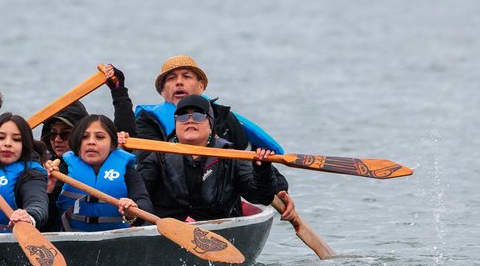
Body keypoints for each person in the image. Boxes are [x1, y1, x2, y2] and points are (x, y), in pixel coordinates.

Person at [133, 55, 296, 219]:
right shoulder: (149, 123)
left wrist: (279, 186)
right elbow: (142, 176)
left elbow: (249, 155)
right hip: (171, 210)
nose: (179, 82)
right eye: (172, 78)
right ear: (162, 91)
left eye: (187, 76)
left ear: (201, 85)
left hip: (217, 205)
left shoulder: (226, 122)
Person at [134, 95, 280, 221]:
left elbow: (262, 197)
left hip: (217, 229)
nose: (190, 120)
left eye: (198, 115)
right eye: (183, 116)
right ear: (176, 125)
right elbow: (138, 194)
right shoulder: (158, 156)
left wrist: (262, 169)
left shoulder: (231, 156)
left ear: (210, 124)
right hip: (169, 228)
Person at [43, 114, 152, 231]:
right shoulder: (61, 172)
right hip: (71, 241)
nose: (91, 142)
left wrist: (132, 210)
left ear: (112, 145)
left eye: (99, 137)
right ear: (77, 142)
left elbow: (145, 205)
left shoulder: (127, 172)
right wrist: (48, 190)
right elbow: (46, 223)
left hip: (116, 241)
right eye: (84, 137)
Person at [40, 65, 137, 159]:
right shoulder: (42, 166)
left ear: (81, 135)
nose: (57, 140)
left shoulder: (98, 160)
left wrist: (118, 90)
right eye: (53, 135)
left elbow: (126, 131)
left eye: (65, 134)